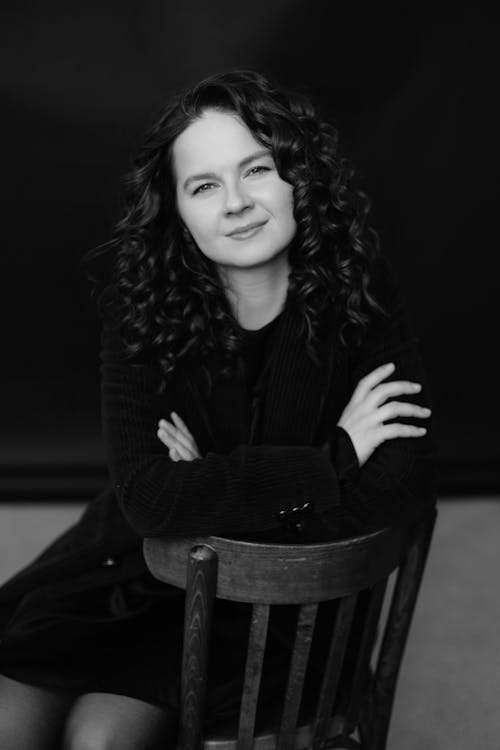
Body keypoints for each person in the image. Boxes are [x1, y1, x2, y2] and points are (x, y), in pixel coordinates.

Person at [0, 69, 436, 749]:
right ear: (177, 210)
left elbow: (402, 487)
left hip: (278, 619)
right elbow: (148, 500)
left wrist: (208, 484)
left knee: (101, 740)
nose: (235, 203)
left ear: (297, 176)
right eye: (205, 185)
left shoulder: (359, 290)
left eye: (256, 169)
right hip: (132, 573)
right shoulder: (141, 300)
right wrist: (333, 463)